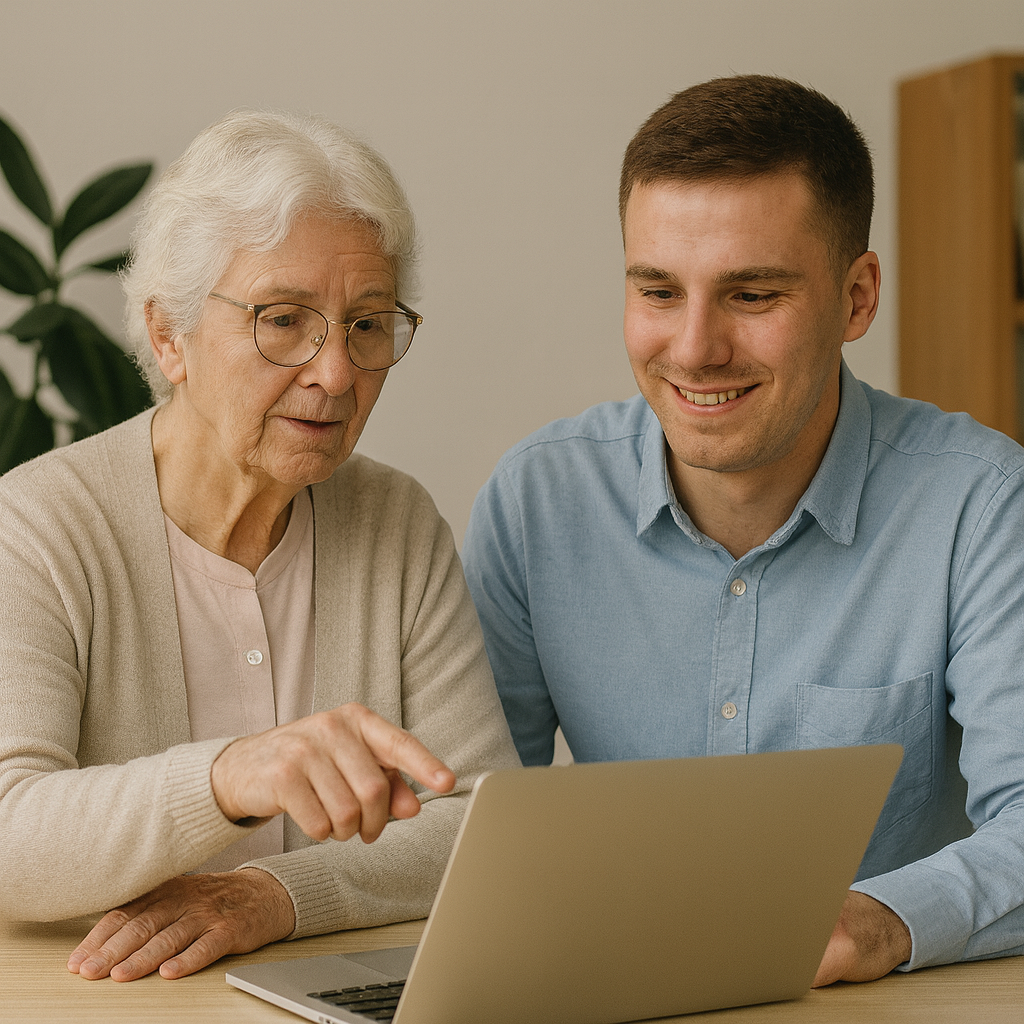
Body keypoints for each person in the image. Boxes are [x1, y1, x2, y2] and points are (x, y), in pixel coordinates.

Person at [462, 75, 1024, 987]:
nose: (692, 349)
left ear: (857, 298)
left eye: (752, 295)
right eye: (657, 291)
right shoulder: (537, 503)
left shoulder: (983, 505)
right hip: (613, 990)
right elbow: (466, 820)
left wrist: (878, 923)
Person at [0, 109, 518, 982]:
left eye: (367, 324)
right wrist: (229, 777)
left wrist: (272, 896)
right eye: (284, 319)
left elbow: (481, 820)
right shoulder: (42, 522)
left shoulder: (397, 522)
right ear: (170, 336)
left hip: (335, 992)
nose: (337, 371)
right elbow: (10, 835)